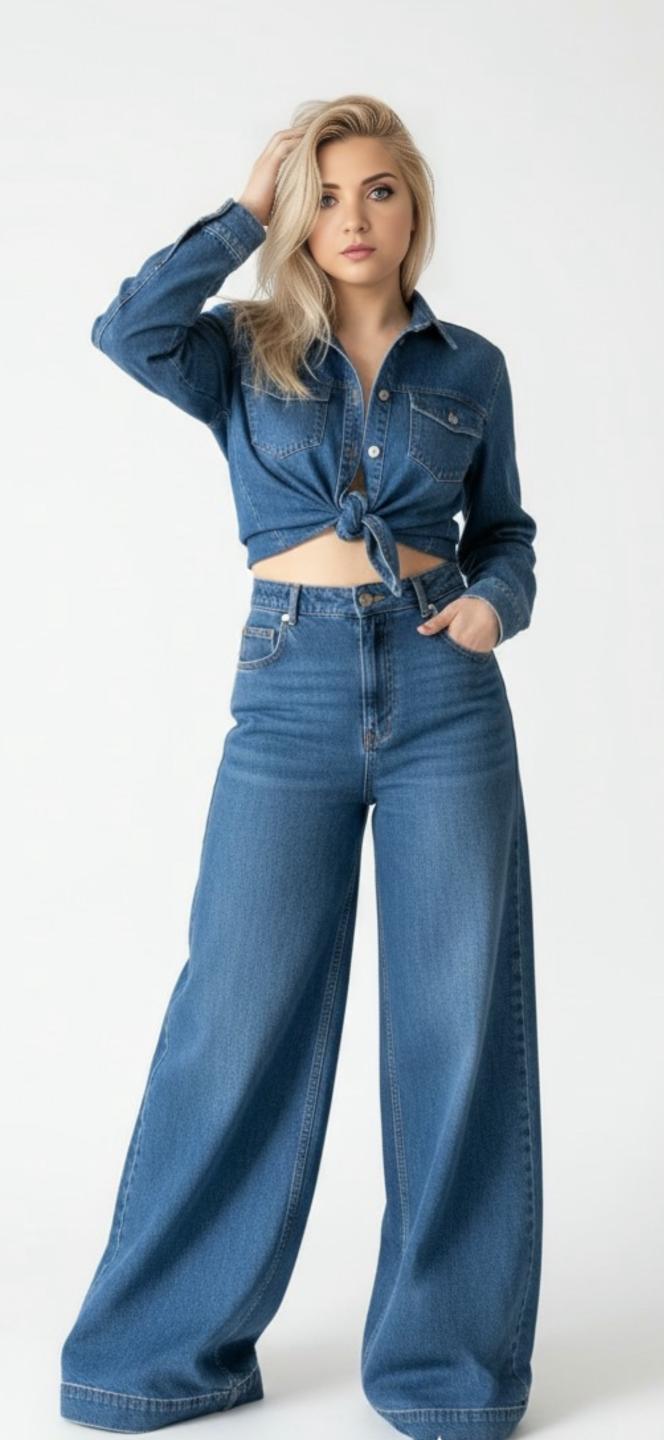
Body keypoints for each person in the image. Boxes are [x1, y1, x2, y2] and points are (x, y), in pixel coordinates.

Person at [59, 94, 543, 1440]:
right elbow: (126, 329)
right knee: (237, 1010)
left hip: (446, 692)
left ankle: (449, 1378)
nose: (352, 217)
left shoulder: (471, 365)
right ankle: (153, 1360)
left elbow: (505, 527)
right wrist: (241, 208)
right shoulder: (242, 348)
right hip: (291, 686)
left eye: (377, 189)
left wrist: (497, 603)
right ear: (295, 213)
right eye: (323, 195)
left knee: (457, 1025)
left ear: (413, 204)